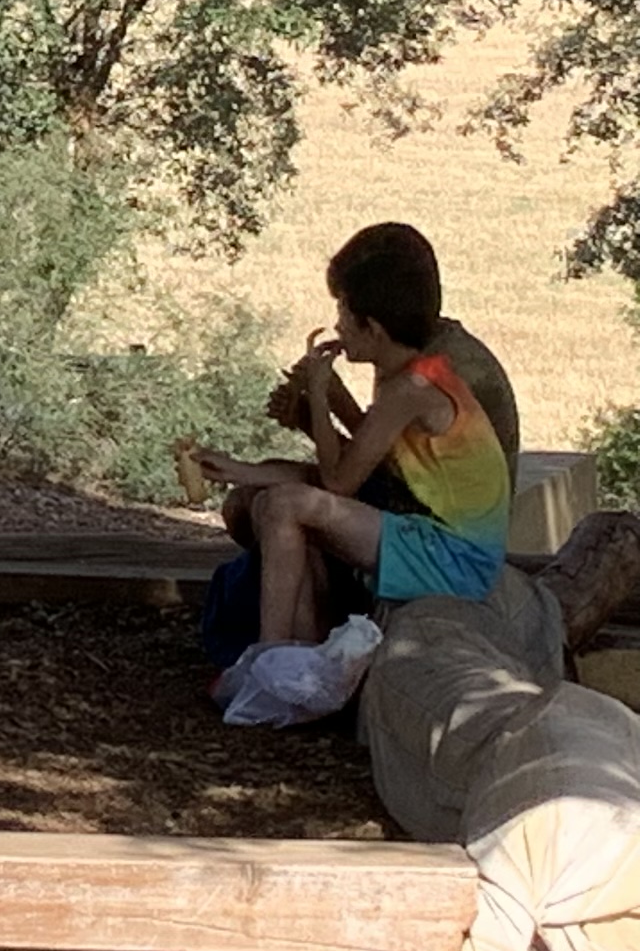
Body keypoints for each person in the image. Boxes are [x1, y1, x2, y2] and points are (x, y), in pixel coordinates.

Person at [198, 220, 513, 655]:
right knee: (280, 505)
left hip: (453, 557)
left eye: (344, 313)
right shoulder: (411, 372)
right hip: (427, 532)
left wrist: (320, 393)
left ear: (374, 328)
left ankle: (269, 657)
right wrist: (241, 470)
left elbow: (339, 482)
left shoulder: (412, 388)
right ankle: (298, 658)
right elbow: (370, 458)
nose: (337, 326)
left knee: (285, 505)